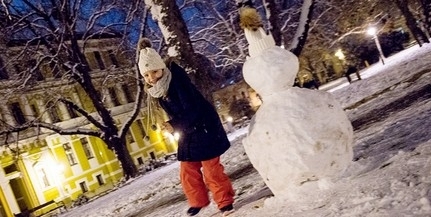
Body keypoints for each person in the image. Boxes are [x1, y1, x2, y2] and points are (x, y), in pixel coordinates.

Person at [137, 38, 235, 217]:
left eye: (154, 72)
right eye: (146, 75)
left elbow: (193, 108)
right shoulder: (160, 88)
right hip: (189, 131)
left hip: (205, 128)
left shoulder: (178, 82)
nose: (151, 78)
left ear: (162, 68)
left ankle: (225, 202)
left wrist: (173, 124)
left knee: (211, 170)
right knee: (187, 170)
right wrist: (172, 124)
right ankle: (198, 201)